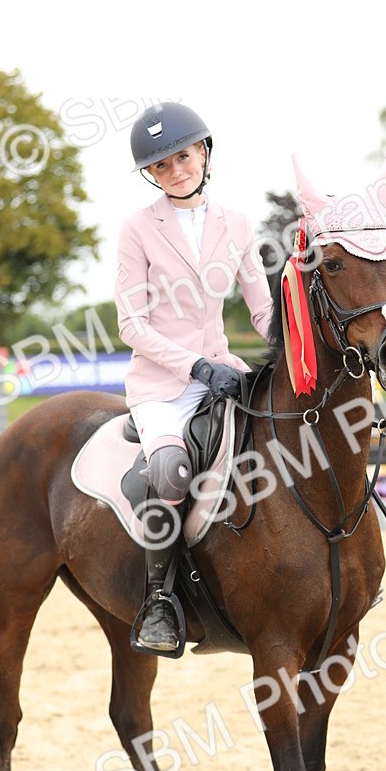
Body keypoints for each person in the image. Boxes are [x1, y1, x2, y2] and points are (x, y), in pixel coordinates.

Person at [114, 102, 273, 653]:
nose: (176, 170)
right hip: (162, 385)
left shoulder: (237, 223)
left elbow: (262, 308)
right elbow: (130, 323)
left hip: (222, 369)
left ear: (204, 152)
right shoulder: (136, 230)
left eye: (183, 156)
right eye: (161, 166)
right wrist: (193, 366)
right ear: (152, 175)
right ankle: (160, 599)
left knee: (285, 432)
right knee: (170, 469)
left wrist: (296, 340)